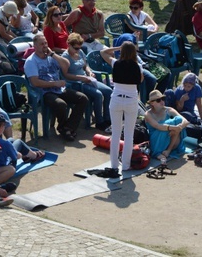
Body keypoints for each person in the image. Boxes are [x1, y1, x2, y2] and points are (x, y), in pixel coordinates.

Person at [24, 34, 88, 141]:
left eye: (46, 43)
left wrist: (53, 54)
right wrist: (54, 83)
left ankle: (68, 127)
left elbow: (66, 65)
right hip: (44, 92)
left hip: (59, 88)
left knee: (82, 98)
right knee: (61, 104)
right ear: (35, 46)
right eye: (41, 44)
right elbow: (35, 82)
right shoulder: (31, 61)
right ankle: (63, 128)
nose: (44, 46)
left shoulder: (51, 57)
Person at [96, 41, 143, 178]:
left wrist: (118, 47)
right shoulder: (138, 66)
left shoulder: (115, 63)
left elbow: (103, 52)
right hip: (131, 101)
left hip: (116, 99)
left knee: (115, 135)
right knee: (129, 135)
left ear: (121, 52)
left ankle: (114, 165)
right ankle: (126, 165)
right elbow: (140, 80)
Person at [59, 32, 112, 130]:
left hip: (87, 79)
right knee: (98, 94)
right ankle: (99, 122)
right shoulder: (65, 57)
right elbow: (65, 75)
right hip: (76, 83)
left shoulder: (80, 52)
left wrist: (89, 72)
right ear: (69, 45)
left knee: (108, 91)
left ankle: (107, 118)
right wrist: (81, 78)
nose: (78, 50)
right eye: (76, 48)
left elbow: (85, 65)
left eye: (79, 47)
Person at [145, 89, 188, 165]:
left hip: (169, 141)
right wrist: (172, 128)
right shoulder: (148, 114)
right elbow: (158, 126)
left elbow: (185, 120)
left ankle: (169, 150)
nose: (162, 101)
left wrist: (179, 127)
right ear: (152, 103)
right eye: (158, 100)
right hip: (157, 142)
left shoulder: (168, 109)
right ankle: (158, 153)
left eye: (163, 99)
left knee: (178, 120)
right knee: (167, 124)